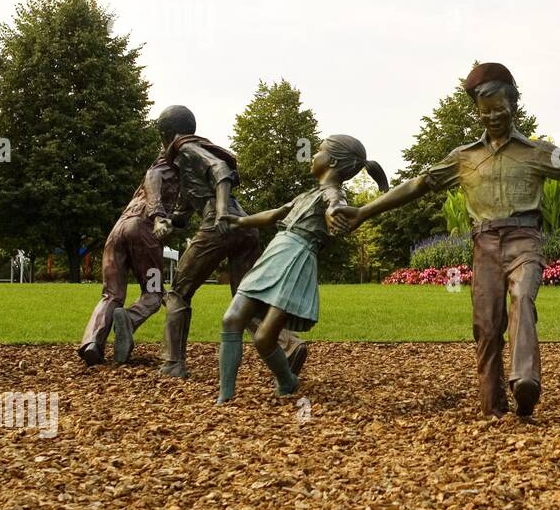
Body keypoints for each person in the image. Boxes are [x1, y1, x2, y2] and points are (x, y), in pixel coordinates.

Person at [332, 63, 560, 418]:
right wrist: (363, 212)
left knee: (523, 296)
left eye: (500, 109)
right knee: (486, 325)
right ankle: (492, 406)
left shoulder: (538, 152)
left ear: (513, 106)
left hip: (524, 239)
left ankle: (525, 379)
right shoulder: (463, 157)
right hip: (483, 244)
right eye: (485, 113)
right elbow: (417, 185)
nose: (493, 117)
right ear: (477, 114)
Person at [216, 135, 386, 403]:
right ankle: (225, 396)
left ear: (330, 161)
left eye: (317, 151)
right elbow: (274, 214)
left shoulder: (332, 193)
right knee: (231, 319)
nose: (312, 156)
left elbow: (336, 203)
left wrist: (334, 211)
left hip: (297, 259)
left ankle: (287, 380)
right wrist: (239, 221)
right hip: (276, 252)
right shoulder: (307, 194)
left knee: (264, 338)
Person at [154, 106, 306, 378]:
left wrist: (221, 210)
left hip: (220, 221)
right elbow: (182, 215)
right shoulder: (189, 167)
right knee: (243, 299)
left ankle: (172, 364)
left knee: (178, 292)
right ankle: (288, 344)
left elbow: (220, 170)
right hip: (244, 226)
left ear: (167, 134)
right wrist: (164, 222)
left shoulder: (186, 149)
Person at [77, 154, 179, 366]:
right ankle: (129, 320)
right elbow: (153, 175)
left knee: (111, 294)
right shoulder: (171, 165)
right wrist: (158, 216)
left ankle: (92, 343)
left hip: (117, 231)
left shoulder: (157, 169)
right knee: (153, 293)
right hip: (143, 230)